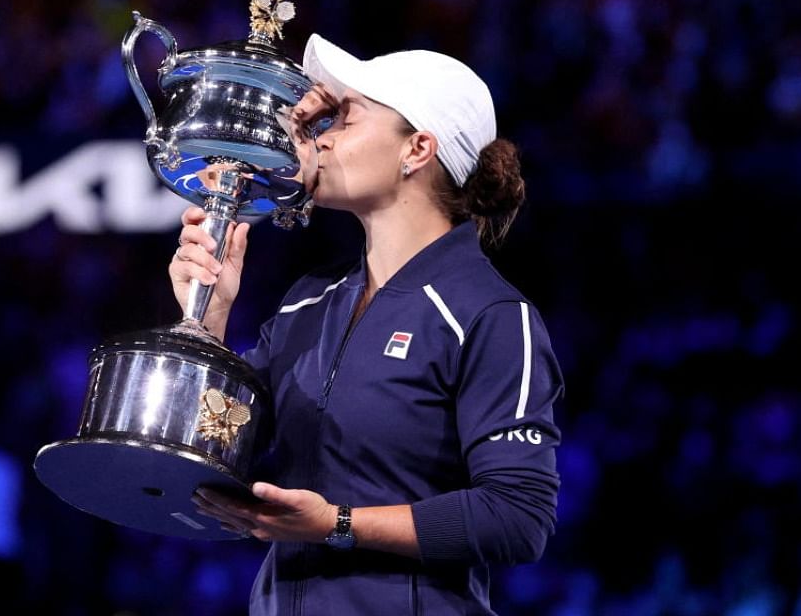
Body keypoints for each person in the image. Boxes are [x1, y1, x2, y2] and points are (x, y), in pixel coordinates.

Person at [170, 33, 564, 615]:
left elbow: (518, 515)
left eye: (343, 119)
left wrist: (337, 524)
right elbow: (205, 467)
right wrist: (208, 317)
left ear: (417, 149)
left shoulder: (490, 315)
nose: (319, 139)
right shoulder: (307, 303)